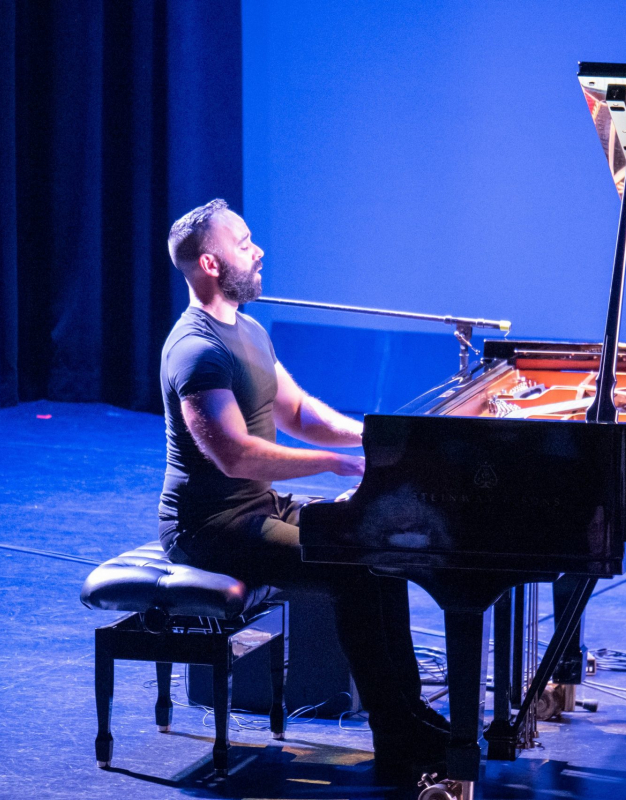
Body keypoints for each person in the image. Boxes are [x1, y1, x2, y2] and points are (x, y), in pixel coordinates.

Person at [158, 198, 450, 778]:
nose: (258, 249)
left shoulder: (249, 330)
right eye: (243, 242)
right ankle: (396, 734)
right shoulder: (196, 350)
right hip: (210, 529)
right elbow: (234, 455)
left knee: (377, 550)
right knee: (353, 571)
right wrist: (337, 466)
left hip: (256, 508)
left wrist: (377, 438)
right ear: (212, 263)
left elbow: (299, 412)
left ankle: (409, 713)